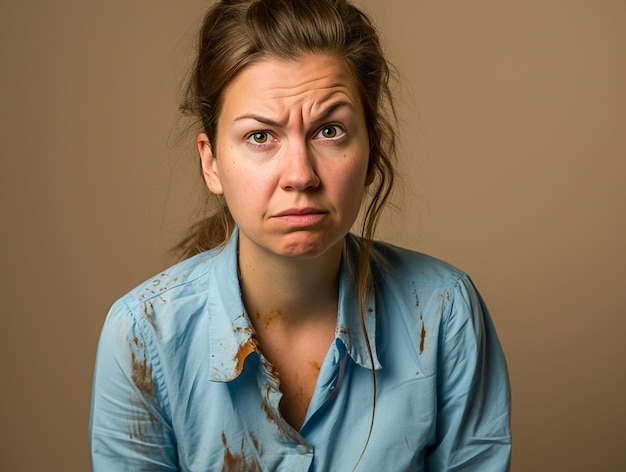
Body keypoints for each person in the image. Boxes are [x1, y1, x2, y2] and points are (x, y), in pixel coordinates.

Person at [89, 0, 512, 470]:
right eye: (260, 137)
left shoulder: (446, 312)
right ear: (211, 162)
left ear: (372, 152)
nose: (300, 175)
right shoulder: (143, 336)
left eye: (329, 130)